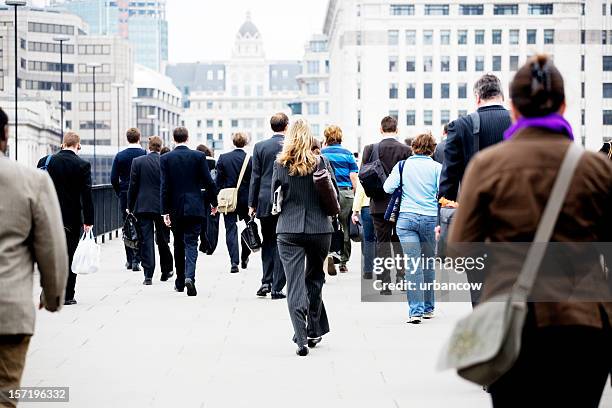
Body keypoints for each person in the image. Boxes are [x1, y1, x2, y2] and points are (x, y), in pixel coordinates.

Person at [449, 55, 612, 407]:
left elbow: (461, 248)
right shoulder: (596, 168)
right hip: (585, 324)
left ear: (515, 109)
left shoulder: (488, 166)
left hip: (513, 323)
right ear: (564, 104)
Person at [1, 107, 68, 408]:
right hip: (8, 312)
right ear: (5, 136)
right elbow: (52, 245)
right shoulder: (31, 181)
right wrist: (53, 295)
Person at [271, 118, 338, 357]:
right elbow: (334, 195)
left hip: (288, 229)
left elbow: (274, 199)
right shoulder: (322, 161)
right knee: (315, 279)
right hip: (320, 228)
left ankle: (301, 338)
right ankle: (312, 329)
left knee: (294, 283)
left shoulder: (280, 164)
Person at [383, 133, 441, 324]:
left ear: (413, 147)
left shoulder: (402, 166)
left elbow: (387, 188)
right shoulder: (437, 168)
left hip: (406, 220)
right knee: (428, 263)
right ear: (432, 149)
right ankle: (428, 307)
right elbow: (444, 192)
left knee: (413, 265)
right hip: (430, 219)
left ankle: (415, 311)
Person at [37, 131, 94, 305]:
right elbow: (87, 195)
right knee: (70, 255)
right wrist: (88, 221)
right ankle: (68, 295)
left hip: (47, 216)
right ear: (78, 146)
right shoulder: (82, 165)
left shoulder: (45, 162)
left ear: (62, 144)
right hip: (71, 218)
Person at [161, 127, 218, 296]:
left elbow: (164, 187)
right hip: (195, 206)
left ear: (173, 138)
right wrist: (213, 202)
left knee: (178, 243)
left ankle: (179, 281)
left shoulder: (165, 158)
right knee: (191, 243)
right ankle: (190, 277)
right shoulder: (198, 156)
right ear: (187, 138)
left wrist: (164, 211)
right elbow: (209, 182)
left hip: (175, 208)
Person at [438, 74, 511, 202]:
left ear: (477, 98)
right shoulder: (520, 123)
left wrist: (444, 214)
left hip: (474, 208)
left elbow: (449, 179)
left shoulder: (460, 126)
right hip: (512, 205)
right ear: (502, 96)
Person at [361, 116, 412, 294]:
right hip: (400, 204)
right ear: (396, 129)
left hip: (378, 205)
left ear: (380, 129)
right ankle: (402, 277)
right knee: (399, 241)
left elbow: (363, 176)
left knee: (382, 243)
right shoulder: (406, 150)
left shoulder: (370, 149)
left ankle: (384, 284)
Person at [249, 113, 288, 299]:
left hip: (265, 199)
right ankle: (277, 285)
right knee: (283, 241)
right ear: (286, 126)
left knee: (268, 241)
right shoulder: (290, 145)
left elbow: (255, 176)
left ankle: (266, 280)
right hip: (286, 199)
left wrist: (252, 203)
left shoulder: (260, 146)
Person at [127, 136, 174, 285]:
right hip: (161, 206)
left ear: (149, 147)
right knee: (162, 239)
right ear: (160, 147)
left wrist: (130, 206)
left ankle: (148, 275)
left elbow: (133, 186)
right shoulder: (166, 161)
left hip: (143, 206)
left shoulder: (138, 162)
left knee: (146, 239)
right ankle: (166, 270)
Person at [321, 125, 359, 274]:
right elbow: (353, 177)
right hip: (346, 194)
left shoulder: (322, 154)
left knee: (327, 225)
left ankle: (328, 254)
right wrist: (355, 196)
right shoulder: (348, 154)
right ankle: (343, 261)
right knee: (345, 227)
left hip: (327, 192)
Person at [216, 132, 252, 273]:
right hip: (246, 199)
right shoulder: (250, 159)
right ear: (246, 142)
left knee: (230, 229)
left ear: (233, 142)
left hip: (229, 200)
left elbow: (218, 182)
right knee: (248, 227)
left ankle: (234, 262)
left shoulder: (224, 158)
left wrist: (215, 201)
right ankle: (244, 256)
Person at [111, 128, 146, 271]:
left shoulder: (120, 156)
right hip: (141, 194)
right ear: (139, 138)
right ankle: (139, 258)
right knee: (141, 225)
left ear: (127, 138)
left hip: (125, 193)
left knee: (127, 225)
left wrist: (120, 192)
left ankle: (130, 260)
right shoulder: (144, 154)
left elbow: (113, 178)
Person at [196, 144, 219, 255]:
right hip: (210, 192)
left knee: (200, 219)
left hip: (198, 192)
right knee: (210, 219)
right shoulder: (214, 162)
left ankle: (203, 242)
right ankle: (210, 243)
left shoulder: (196, 161)